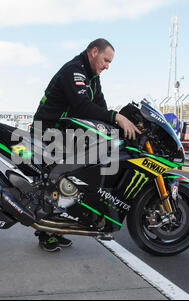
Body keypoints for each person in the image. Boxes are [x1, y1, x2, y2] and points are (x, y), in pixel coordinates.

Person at [33, 38, 141, 252]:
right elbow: (82, 106)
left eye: (110, 63)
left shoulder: (93, 77)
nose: (107, 66)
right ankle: (46, 230)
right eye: (106, 60)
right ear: (94, 51)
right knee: (63, 178)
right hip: (48, 130)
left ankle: (56, 227)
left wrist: (119, 124)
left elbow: (99, 107)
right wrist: (116, 117)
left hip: (65, 132)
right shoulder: (75, 70)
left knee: (79, 176)